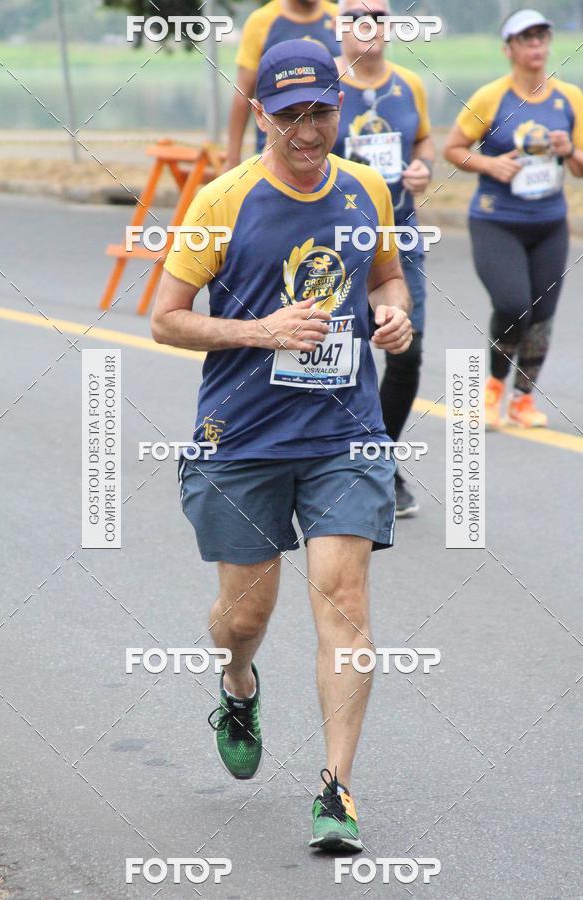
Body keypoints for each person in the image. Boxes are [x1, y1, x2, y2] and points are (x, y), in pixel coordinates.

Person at [152, 39, 412, 850]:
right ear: (259, 112)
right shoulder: (223, 199)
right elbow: (165, 316)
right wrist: (259, 331)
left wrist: (395, 316)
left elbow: (385, 279)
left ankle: (336, 790)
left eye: (322, 111)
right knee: (243, 617)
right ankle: (237, 681)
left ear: (341, 107)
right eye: (290, 113)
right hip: (244, 439)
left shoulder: (367, 187)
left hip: (344, 433)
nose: (307, 129)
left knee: (346, 600)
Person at [444, 8, 583, 429]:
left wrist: (568, 150)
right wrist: (490, 166)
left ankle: (523, 399)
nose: (537, 46)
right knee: (513, 304)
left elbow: (579, 167)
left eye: (542, 38)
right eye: (527, 39)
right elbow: (453, 149)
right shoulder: (491, 97)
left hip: (549, 223)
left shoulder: (570, 99)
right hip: (496, 219)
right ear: (509, 49)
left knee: (542, 316)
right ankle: (494, 385)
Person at [333, 0, 434, 515]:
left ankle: (380, 457)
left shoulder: (409, 84)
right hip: (333, 239)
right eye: (356, 14)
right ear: (339, 25)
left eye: (378, 13)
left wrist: (421, 169)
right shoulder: (322, 83)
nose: (367, 23)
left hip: (400, 235)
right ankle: (330, 464)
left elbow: (424, 141)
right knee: (340, 355)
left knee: (406, 349)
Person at [226, 0, 339, 169]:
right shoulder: (261, 21)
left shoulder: (339, 17)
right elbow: (243, 95)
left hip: (330, 148)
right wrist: (232, 160)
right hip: (278, 147)